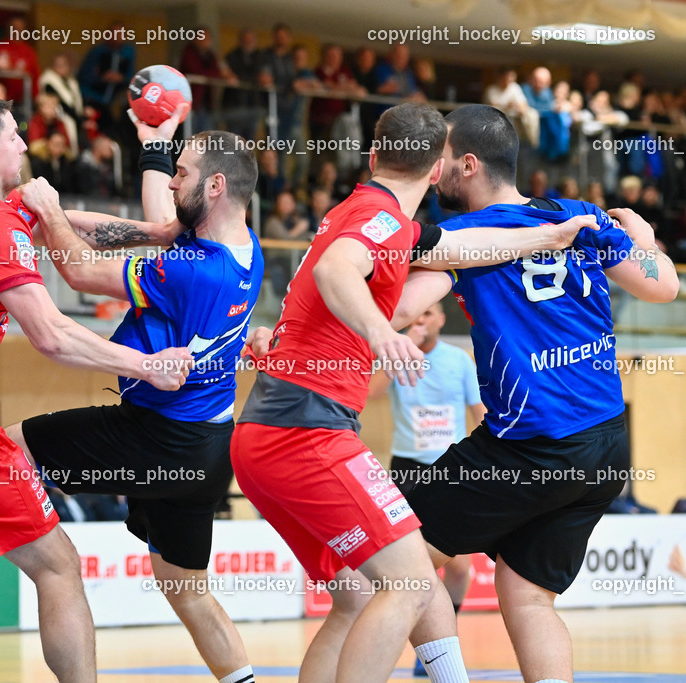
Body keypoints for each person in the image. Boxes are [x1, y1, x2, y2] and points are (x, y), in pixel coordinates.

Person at [0, 103, 263, 683]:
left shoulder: (191, 270)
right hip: (209, 445)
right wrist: (156, 146)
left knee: (9, 449)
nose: (174, 183)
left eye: (183, 173)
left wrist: (48, 211)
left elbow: (77, 271)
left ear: (215, 186)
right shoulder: (243, 247)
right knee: (189, 593)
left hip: (159, 434)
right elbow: (164, 222)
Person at [228, 102, 599, 682]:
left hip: (267, 431)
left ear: (373, 156)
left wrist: (548, 236)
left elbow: (458, 251)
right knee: (409, 581)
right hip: (305, 431)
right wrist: (380, 333)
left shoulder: (368, 217)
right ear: (436, 172)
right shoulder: (379, 220)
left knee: (357, 599)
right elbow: (334, 271)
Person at [385, 103, 679, 683]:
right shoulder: (581, 215)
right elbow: (664, 286)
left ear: (469, 165)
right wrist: (645, 240)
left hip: (531, 446)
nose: (432, 170)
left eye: (440, 158)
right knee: (526, 593)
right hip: (605, 445)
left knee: (394, 557)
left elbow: (394, 310)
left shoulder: (462, 236)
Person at [367, 301, 484, 677]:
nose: (421, 320)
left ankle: (443, 632)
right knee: (410, 563)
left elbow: (479, 411)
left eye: (428, 314)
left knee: (459, 567)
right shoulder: (397, 354)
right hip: (407, 468)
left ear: (442, 319)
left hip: (451, 466)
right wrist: (404, 347)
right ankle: (427, 644)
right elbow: (371, 393)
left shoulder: (459, 360)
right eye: (416, 315)